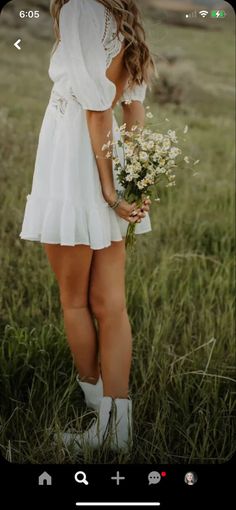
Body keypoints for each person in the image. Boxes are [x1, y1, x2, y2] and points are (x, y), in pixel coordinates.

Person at [19, 0, 156, 453]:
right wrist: (135, 181)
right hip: (108, 161)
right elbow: (131, 114)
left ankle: (102, 422)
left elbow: (97, 110)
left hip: (74, 164)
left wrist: (111, 195)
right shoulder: (123, 20)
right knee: (111, 305)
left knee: (75, 302)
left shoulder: (79, 8)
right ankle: (118, 430)